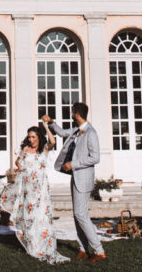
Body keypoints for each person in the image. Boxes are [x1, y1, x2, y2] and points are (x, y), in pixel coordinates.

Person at [43, 103, 106, 263]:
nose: (71, 114)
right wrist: (51, 122)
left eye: (72, 112)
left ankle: (99, 250)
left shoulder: (90, 133)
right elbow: (62, 132)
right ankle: (83, 249)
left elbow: (95, 157)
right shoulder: (77, 130)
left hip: (83, 179)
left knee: (81, 214)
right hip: (76, 178)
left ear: (77, 114)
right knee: (77, 214)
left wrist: (73, 164)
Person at [0, 124, 68, 265]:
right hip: (28, 188)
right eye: (29, 137)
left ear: (38, 137)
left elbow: (53, 142)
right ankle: (31, 248)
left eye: (33, 137)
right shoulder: (25, 149)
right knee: (30, 217)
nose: (31, 140)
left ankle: (43, 246)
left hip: (41, 189)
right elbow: (18, 161)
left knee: (41, 216)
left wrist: (46, 127)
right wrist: (20, 167)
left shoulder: (43, 149)